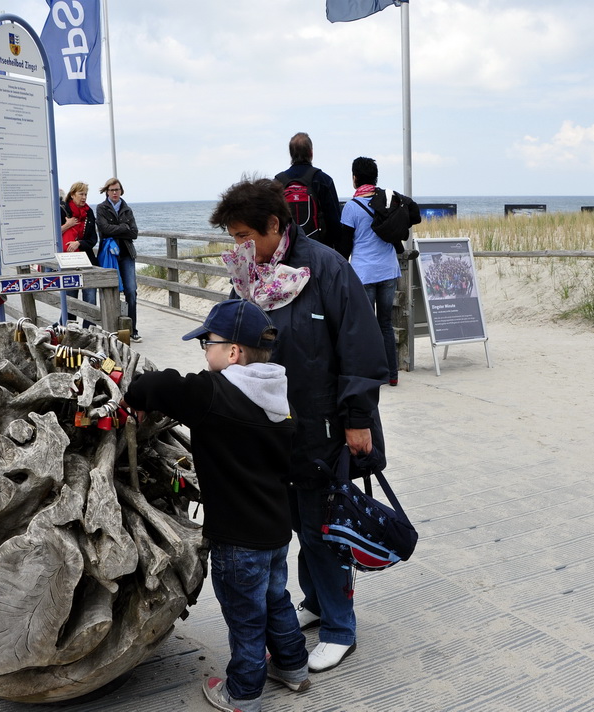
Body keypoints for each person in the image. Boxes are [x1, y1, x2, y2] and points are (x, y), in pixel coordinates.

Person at [209, 177, 387, 674]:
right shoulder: (247, 277)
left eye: (245, 235)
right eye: (232, 237)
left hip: (323, 422)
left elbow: (360, 345)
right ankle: (314, 601)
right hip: (269, 428)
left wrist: (357, 419)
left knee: (321, 526)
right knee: (288, 522)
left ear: (274, 224)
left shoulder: (325, 267)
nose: (239, 246)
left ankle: (339, 627)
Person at [123, 298, 309, 712]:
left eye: (207, 342)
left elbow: (158, 385)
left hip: (237, 538)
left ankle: (243, 693)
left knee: (245, 617)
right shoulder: (281, 400)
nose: (204, 350)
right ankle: (294, 667)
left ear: (233, 352)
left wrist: (134, 394)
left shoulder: (213, 393)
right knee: (275, 599)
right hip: (276, 530)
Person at [341, 157, 401, 386]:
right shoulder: (388, 201)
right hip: (388, 271)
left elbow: (345, 247)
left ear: (355, 178)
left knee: (366, 325)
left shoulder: (351, 207)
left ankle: (371, 374)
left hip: (364, 273)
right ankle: (392, 374)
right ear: (375, 178)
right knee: (385, 323)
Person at [275, 132, 342, 254]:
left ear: (291, 154)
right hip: (318, 250)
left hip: (287, 251)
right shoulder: (323, 180)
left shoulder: (278, 182)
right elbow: (334, 220)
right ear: (311, 153)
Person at [94, 177, 142, 342]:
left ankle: (132, 329)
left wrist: (119, 230)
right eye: (112, 190)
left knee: (131, 291)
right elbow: (104, 229)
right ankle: (112, 330)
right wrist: (123, 228)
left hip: (127, 254)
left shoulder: (127, 209)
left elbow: (134, 233)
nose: (115, 192)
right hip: (109, 254)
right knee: (111, 291)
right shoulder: (101, 208)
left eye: (117, 189)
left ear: (121, 191)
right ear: (106, 191)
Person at [60, 182, 98, 326]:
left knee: (91, 299)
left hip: (87, 260)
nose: (84, 197)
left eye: (86, 194)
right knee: (71, 300)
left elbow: (93, 239)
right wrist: (68, 225)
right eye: (81, 194)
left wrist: (79, 243)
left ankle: (89, 333)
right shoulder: (62, 210)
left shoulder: (89, 212)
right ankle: (70, 332)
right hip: (69, 261)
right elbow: (52, 235)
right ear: (72, 194)